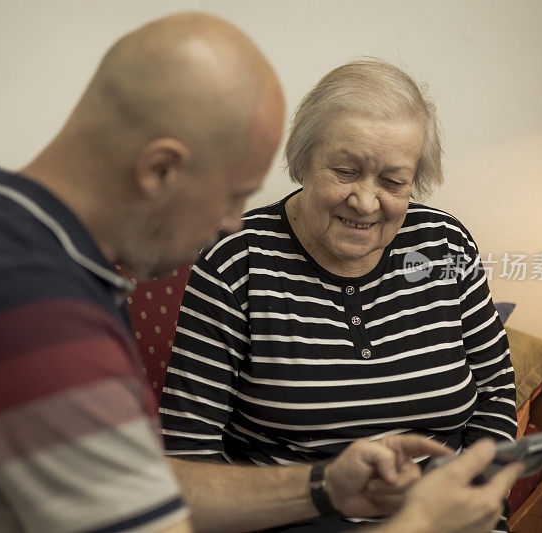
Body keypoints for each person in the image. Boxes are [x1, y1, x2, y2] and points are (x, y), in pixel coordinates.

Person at [0, 13, 520, 533]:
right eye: (230, 197)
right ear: (160, 168)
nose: (229, 226)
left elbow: (157, 484)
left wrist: (323, 485)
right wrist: (419, 522)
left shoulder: (12, 245)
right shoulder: (19, 303)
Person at [159, 59, 519, 531]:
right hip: (293, 519)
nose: (366, 202)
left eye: (392, 182)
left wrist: (469, 493)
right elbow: (188, 450)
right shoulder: (236, 260)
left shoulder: (444, 244)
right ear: (303, 161)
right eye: (346, 171)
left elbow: (495, 390)